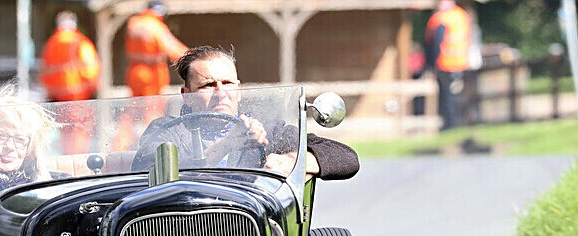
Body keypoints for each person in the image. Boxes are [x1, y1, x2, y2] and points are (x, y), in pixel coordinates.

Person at [132, 45, 360, 180]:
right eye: (208, 85)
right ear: (186, 94)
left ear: (239, 90)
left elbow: (347, 158)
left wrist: (292, 161)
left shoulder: (265, 130)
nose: (221, 93)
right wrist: (224, 146)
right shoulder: (168, 131)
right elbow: (144, 170)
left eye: (228, 83)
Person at [125, 1, 188, 98]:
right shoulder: (155, 25)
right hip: (152, 73)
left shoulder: (134, 23)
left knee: (135, 105)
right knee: (153, 107)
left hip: (134, 70)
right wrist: (193, 56)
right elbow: (172, 48)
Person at [424, 0, 471, 130]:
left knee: (447, 98)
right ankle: (458, 123)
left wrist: (430, 65)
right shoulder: (462, 15)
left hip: (445, 63)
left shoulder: (440, 18)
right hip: (461, 63)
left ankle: (450, 125)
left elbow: (434, 44)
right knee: (457, 95)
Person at [40, 11, 101, 102]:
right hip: (79, 96)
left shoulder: (51, 44)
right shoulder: (81, 42)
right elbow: (91, 70)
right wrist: (94, 87)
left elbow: (44, 71)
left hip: (56, 98)